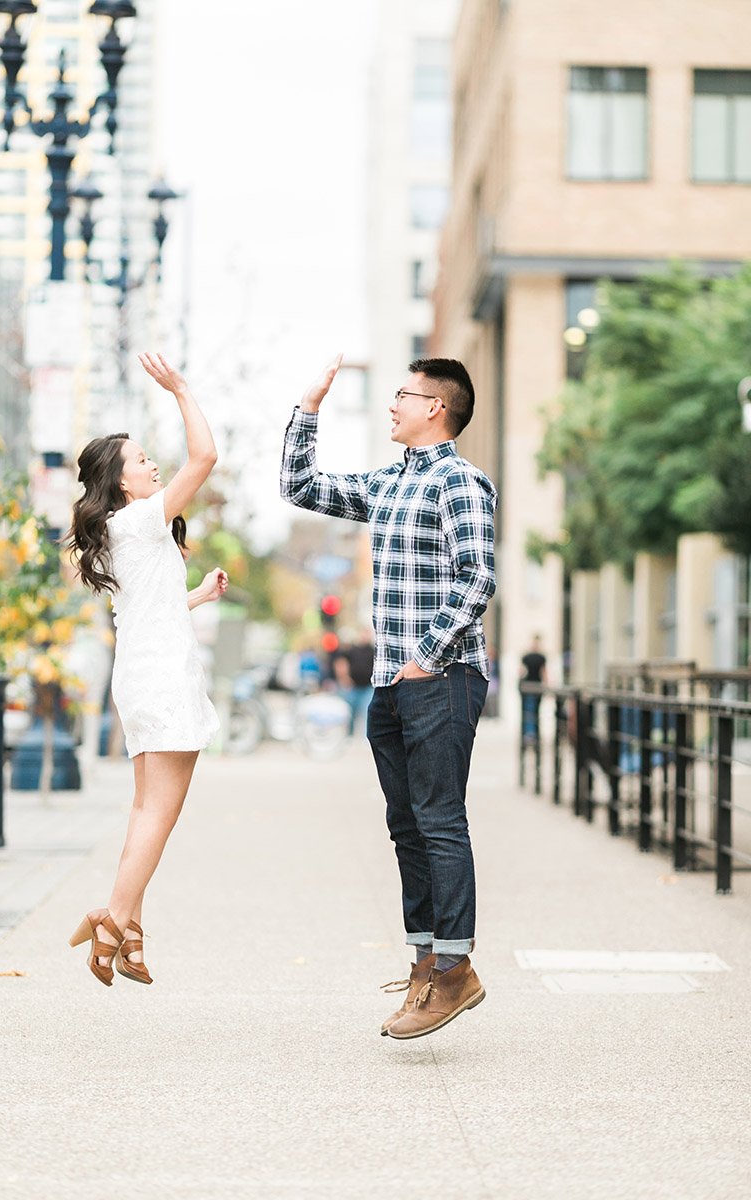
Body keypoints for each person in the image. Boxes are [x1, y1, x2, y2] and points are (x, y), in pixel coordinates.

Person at [281, 355, 496, 1039]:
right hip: (390, 683)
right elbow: (300, 485)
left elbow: (477, 577)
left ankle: (456, 970)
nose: (393, 405)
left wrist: (425, 659)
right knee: (406, 827)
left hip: (443, 677)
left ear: (436, 406)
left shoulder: (461, 481)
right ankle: (425, 963)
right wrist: (308, 408)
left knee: (438, 819)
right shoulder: (388, 482)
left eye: (403, 395)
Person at [65, 353, 228, 987]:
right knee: (160, 814)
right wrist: (182, 388)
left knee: (144, 811)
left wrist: (195, 598)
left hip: (142, 672)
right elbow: (206, 458)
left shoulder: (120, 530)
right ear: (121, 481)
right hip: (162, 677)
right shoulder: (137, 519)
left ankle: (127, 929)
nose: (152, 464)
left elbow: (144, 609)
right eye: (139, 460)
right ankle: (113, 923)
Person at [519, 634, 548, 743]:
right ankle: (534, 734)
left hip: (527, 686)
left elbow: (521, 672)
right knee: (535, 711)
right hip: (536, 686)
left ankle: (528, 734)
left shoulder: (526, 657)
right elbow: (544, 673)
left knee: (527, 711)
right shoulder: (541, 657)